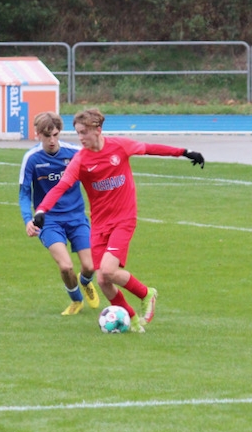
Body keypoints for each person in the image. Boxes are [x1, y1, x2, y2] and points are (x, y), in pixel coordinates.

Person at [32, 108, 205, 333]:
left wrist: (184, 152)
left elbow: (149, 148)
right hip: (99, 224)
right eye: (78, 133)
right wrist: (42, 209)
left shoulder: (119, 147)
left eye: (84, 132)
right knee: (103, 280)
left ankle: (147, 294)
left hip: (124, 219)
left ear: (98, 130)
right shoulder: (81, 160)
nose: (80, 137)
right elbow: (61, 186)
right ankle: (132, 320)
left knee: (108, 270)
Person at [19, 111, 100, 315]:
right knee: (65, 266)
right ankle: (76, 301)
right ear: (38, 134)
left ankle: (85, 281)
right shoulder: (31, 159)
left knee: (90, 266)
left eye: (55, 135)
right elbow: (24, 193)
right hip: (49, 221)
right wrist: (28, 219)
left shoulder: (74, 153)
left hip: (77, 218)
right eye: (47, 136)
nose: (52, 140)